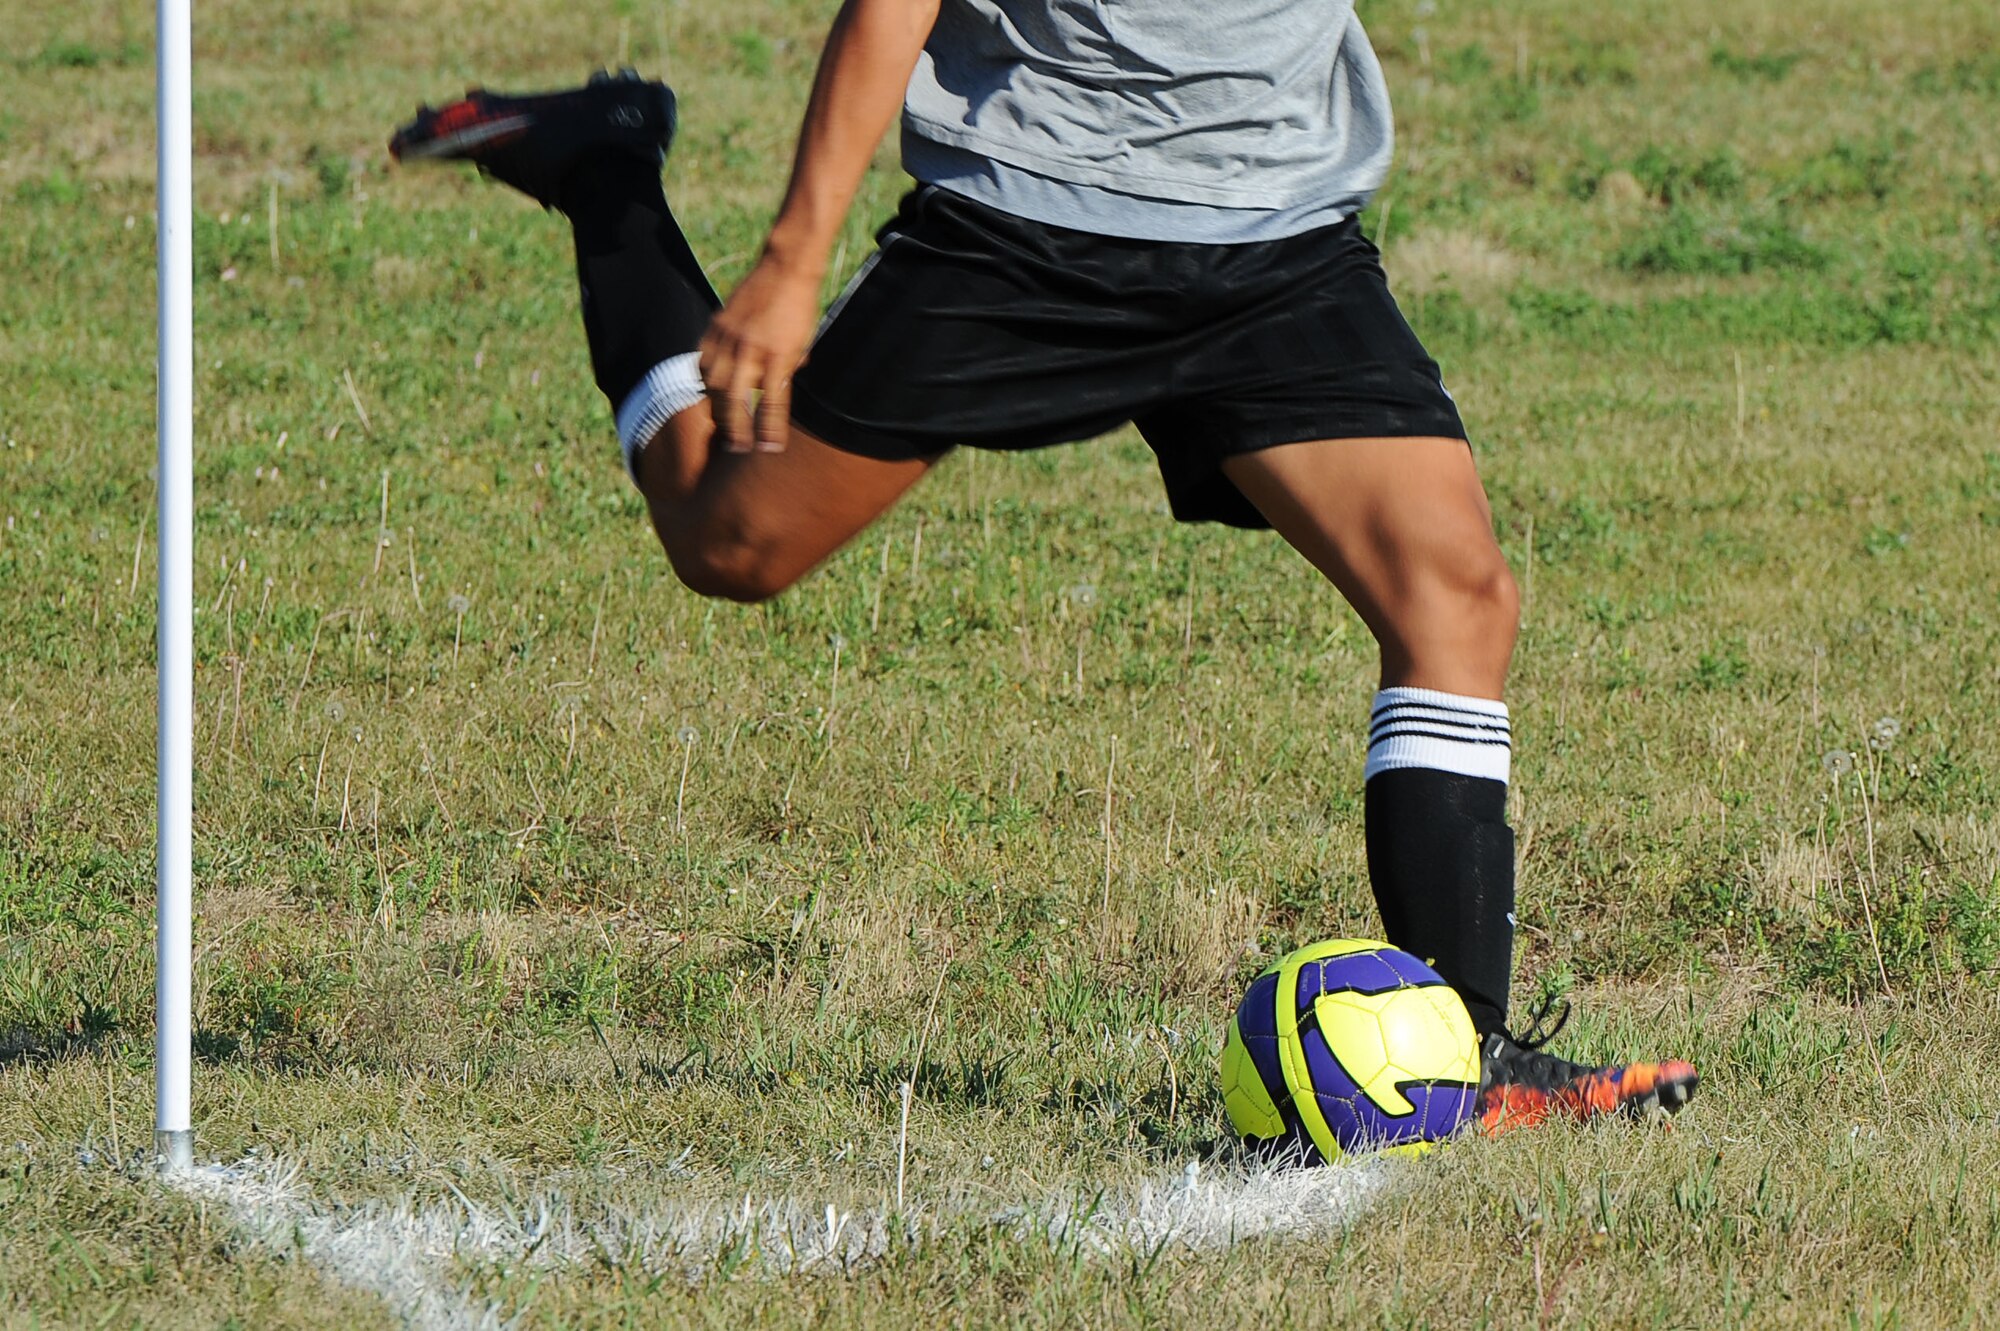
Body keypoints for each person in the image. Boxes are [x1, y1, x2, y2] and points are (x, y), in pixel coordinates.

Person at [389, 0, 1697, 1134]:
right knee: (730, 542)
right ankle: (607, 174)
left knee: (1455, 596)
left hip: (1274, 237)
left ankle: (1463, 1059)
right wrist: (791, 262)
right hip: (1030, 225)